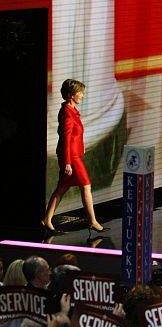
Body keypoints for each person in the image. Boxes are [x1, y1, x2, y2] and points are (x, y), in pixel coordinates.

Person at [41, 79, 108, 234]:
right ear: (72, 95)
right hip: (70, 157)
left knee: (62, 187)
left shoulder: (71, 111)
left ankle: (47, 218)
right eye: (80, 93)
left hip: (74, 155)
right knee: (85, 185)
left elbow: (74, 137)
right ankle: (92, 221)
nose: (82, 96)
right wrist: (67, 162)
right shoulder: (67, 114)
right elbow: (65, 139)